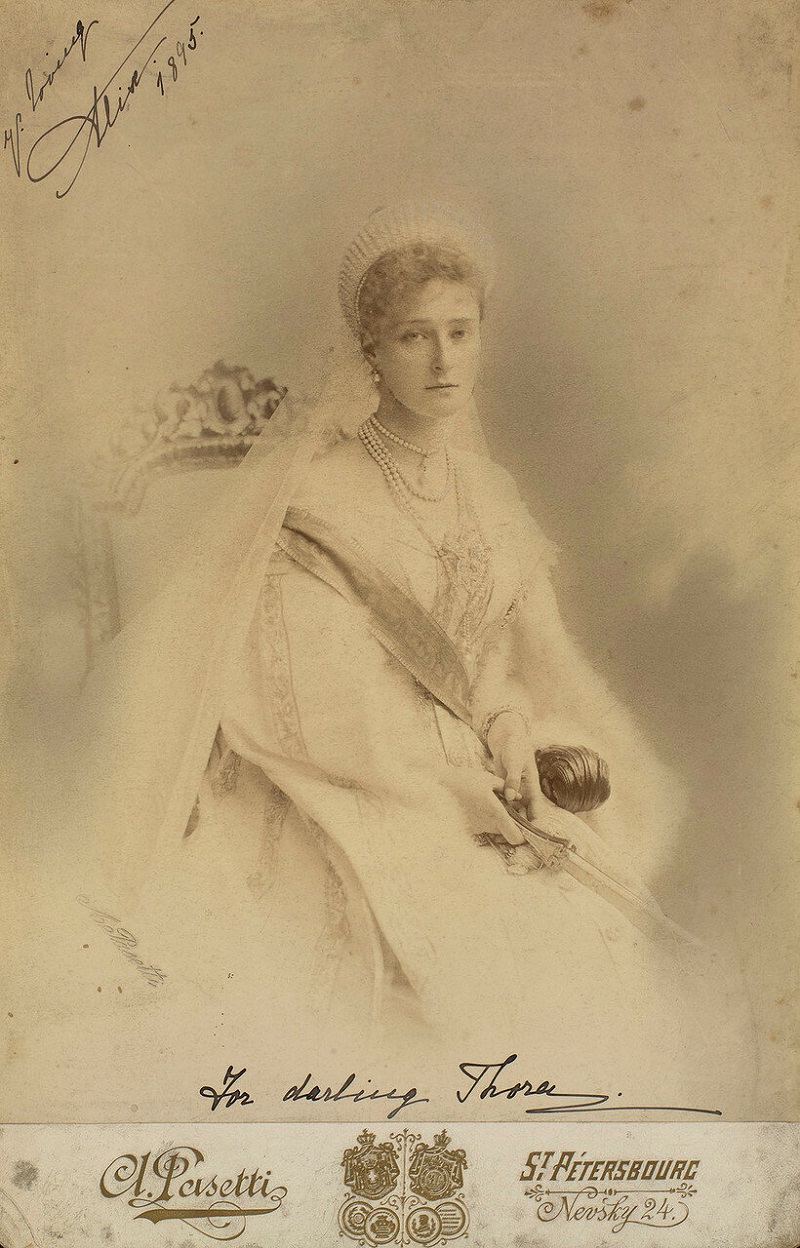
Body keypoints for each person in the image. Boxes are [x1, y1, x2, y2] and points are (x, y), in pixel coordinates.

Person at [12, 204, 754, 1118]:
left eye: (460, 332)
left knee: (590, 943)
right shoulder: (319, 492)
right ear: (370, 348)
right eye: (413, 336)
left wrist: (511, 727)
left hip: (477, 778)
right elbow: (302, 692)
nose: (443, 361)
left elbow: (513, 657)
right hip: (340, 787)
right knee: (459, 952)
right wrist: (450, 776)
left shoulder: (492, 492)